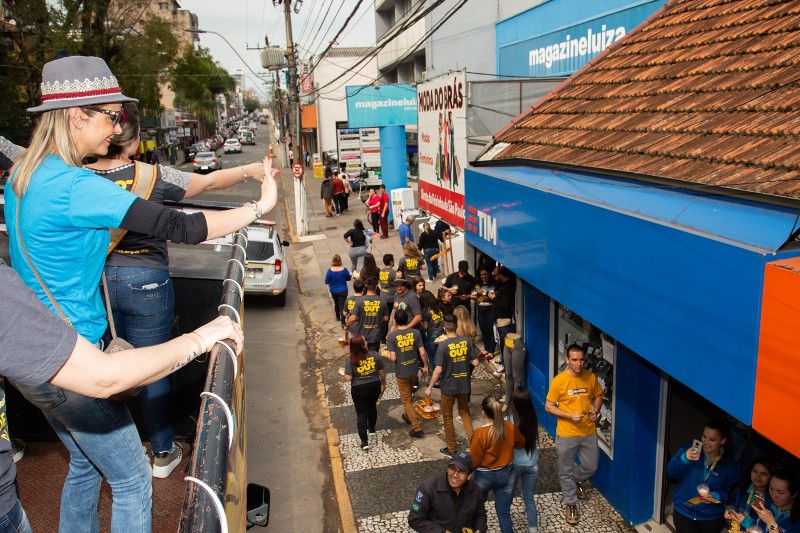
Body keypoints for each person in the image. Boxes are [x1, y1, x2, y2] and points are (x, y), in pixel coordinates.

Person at [4, 55, 278, 533]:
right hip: (75, 359)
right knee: (132, 480)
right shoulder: (75, 187)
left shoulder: (25, 176)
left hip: (34, 361)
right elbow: (181, 226)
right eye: (110, 114)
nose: (118, 126)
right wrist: (259, 206)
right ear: (76, 116)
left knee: (87, 466)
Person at [85, 101, 277, 478]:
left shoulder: (77, 178)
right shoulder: (151, 176)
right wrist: (253, 172)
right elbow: (207, 183)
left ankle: (119, 446)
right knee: (154, 365)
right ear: (136, 141)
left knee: (103, 365)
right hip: (149, 284)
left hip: (100, 285)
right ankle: (161, 451)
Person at [0, 262, 243, 533]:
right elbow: (104, 378)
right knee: (133, 480)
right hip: (71, 369)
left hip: (36, 378)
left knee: (85, 462)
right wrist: (199, 339)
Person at [544, 343, 604, 527]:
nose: (579, 364)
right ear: (567, 360)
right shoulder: (559, 381)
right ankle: (570, 504)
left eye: (582, 360)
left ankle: (574, 480)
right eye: (575, 360)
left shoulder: (590, 377)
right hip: (567, 433)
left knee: (590, 466)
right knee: (565, 470)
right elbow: (549, 406)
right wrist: (569, 415)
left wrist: (595, 410)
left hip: (588, 431)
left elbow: (599, 395)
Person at [666, 419, 740, 533]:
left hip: (711, 516)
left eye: (712, 439)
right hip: (684, 510)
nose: (706, 442)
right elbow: (670, 473)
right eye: (704, 436)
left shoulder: (730, 467)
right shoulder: (688, 450)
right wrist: (683, 459)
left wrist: (715, 496)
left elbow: (731, 496)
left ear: (722, 440)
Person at [425, 314, 480, 458]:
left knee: (448, 417)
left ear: (444, 328)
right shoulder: (467, 341)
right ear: (457, 326)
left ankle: (452, 448)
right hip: (464, 384)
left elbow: (438, 370)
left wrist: (430, 386)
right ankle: (474, 444)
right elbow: (475, 363)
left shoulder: (443, 346)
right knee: (464, 412)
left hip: (448, 386)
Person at [470, 395, 524, 533]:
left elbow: (474, 461)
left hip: (483, 476)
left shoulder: (480, 434)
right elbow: (521, 442)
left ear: (483, 411)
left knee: (476, 511)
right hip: (506, 473)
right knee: (504, 513)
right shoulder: (509, 427)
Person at [408, 451, 487, 533]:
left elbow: (480, 515)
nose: (455, 475)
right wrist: (442, 532)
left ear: (469, 476)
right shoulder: (428, 488)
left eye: (462, 471)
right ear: (447, 468)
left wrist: (479, 530)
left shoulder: (475, 489)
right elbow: (415, 519)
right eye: (452, 468)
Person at [386, 308, 428, 438]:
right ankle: (407, 415)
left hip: (401, 371)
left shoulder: (392, 336)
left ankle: (416, 426)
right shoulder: (415, 333)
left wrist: (388, 354)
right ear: (407, 319)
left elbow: (392, 358)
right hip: (413, 369)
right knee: (409, 395)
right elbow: (422, 352)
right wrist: (425, 366)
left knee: (406, 399)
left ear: (396, 321)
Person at [343, 334, 386, 451]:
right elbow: (381, 371)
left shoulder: (350, 359)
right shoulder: (375, 355)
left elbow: (348, 378)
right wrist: (383, 382)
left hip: (359, 389)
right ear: (362, 345)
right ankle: (371, 429)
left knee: (361, 414)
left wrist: (343, 375)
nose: (367, 342)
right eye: (364, 341)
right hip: (374, 386)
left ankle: (364, 441)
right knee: (372, 408)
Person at [511, 386, 541, 533]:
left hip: (515, 464)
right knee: (529, 498)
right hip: (532, 464)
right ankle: (533, 529)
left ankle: (506, 523)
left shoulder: (510, 421)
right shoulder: (533, 417)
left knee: (508, 495)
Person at [725, 457, 773, 531]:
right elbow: (734, 503)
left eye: (763, 474)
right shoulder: (744, 487)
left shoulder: (772, 499)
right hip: (734, 528)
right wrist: (730, 510)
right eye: (755, 471)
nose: (758, 476)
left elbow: (770, 528)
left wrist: (748, 522)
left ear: (771, 476)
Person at [749, 469, 800, 533]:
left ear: (794, 494)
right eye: (771, 488)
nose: (773, 495)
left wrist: (772, 524)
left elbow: (771, 525)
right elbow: (757, 526)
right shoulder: (768, 503)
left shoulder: (797, 523)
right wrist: (745, 520)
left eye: (780, 492)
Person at [488, 266, 516, 371]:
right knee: (500, 341)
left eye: (495, 275)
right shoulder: (501, 285)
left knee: (504, 343)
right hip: (498, 318)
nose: (494, 277)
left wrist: (493, 298)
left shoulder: (508, 288)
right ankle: (503, 359)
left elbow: (505, 305)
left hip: (504, 320)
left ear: (501, 276)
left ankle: (505, 365)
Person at [346, 277, 385, 352]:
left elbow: (353, 318)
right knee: (373, 356)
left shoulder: (359, 300)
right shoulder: (382, 300)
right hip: (375, 335)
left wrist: (347, 324)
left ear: (365, 287)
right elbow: (386, 318)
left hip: (362, 335)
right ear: (376, 287)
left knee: (362, 355)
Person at [325, 254, 351, 326]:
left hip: (334, 291)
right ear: (340, 260)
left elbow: (326, 281)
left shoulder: (329, 271)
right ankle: (343, 322)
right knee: (342, 305)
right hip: (343, 290)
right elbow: (348, 278)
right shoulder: (344, 270)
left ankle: (337, 316)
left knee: (336, 304)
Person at [475, 268, 497, 357]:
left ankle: (491, 351)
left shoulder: (494, 285)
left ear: (489, 274)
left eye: (485, 274)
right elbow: (476, 299)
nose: (483, 276)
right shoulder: (477, 286)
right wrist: (484, 298)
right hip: (481, 310)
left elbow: (495, 298)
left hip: (491, 310)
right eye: (481, 275)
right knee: (484, 330)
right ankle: (486, 348)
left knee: (490, 331)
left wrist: (488, 298)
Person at [420, 290, 445, 365]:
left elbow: (425, 326)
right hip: (442, 333)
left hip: (432, 335)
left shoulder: (425, 311)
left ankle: (435, 374)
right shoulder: (439, 306)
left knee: (433, 358)